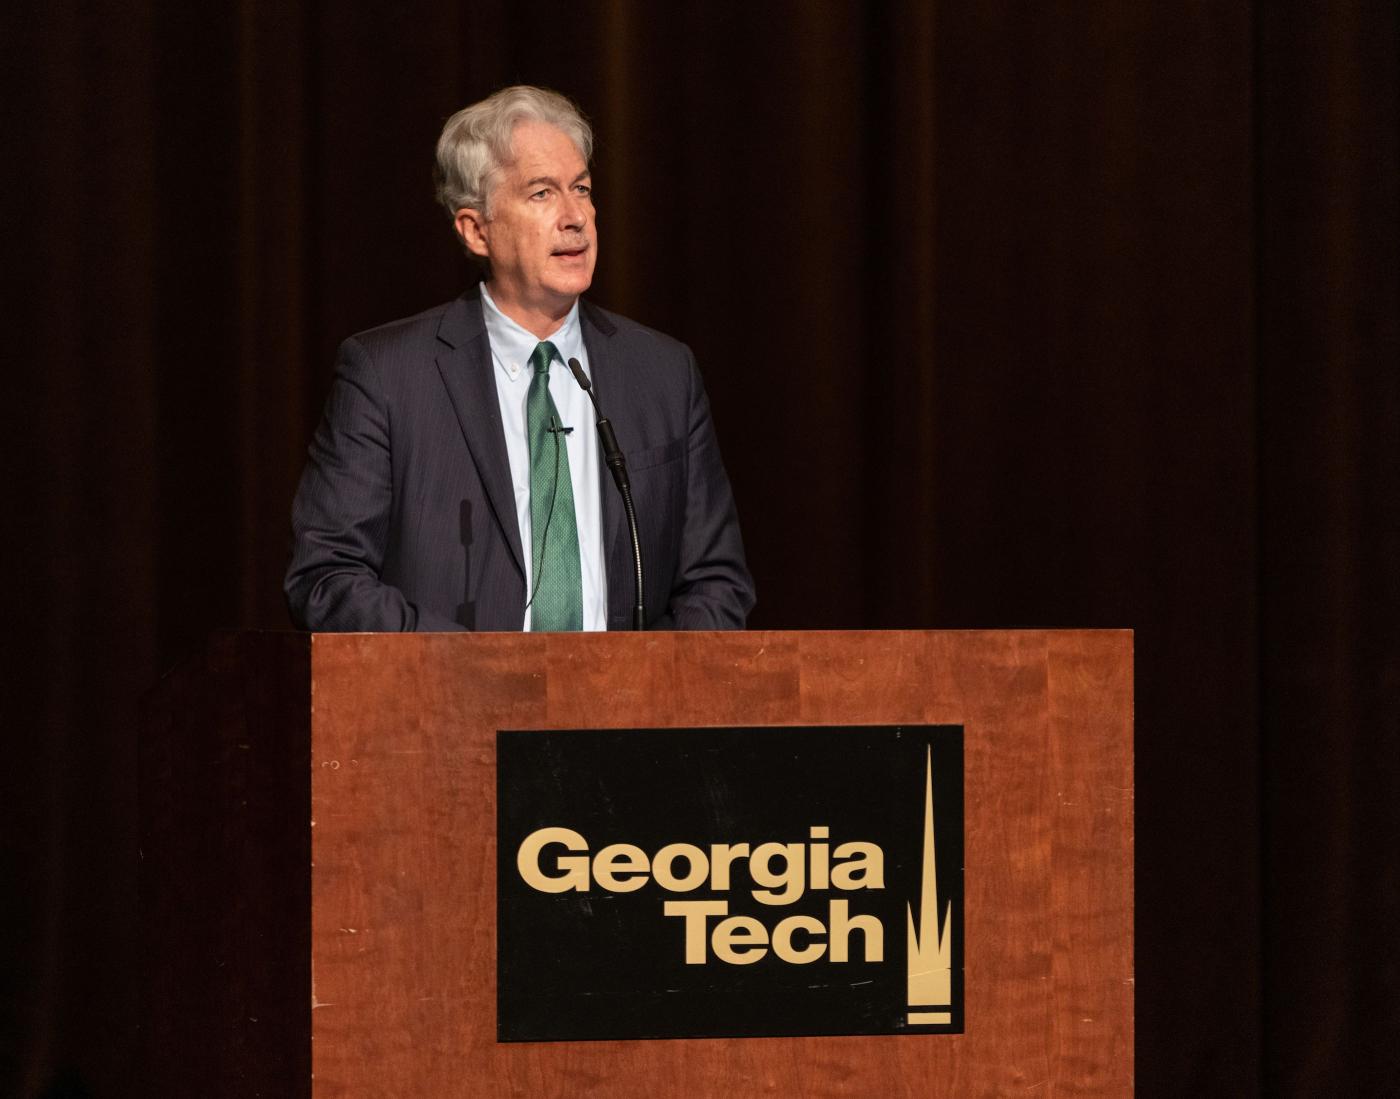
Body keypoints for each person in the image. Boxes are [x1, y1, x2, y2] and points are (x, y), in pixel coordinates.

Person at [285, 85, 754, 632]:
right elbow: (326, 577)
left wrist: (643, 693)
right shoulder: (387, 375)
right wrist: (477, 674)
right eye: (541, 194)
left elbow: (716, 583)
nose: (575, 216)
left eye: (581, 188)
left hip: (624, 713)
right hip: (451, 708)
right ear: (476, 230)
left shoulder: (663, 374)